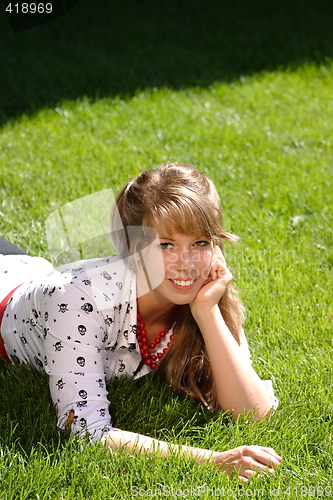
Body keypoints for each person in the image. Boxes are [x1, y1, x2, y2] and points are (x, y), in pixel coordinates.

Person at [0, 162, 282, 481]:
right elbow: (86, 433)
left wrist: (207, 311)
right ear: (132, 249)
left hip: (34, 273)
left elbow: (254, 412)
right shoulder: (77, 300)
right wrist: (212, 460)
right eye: (165, 244)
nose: (187, 264)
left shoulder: (204, 291)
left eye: (200, 242)